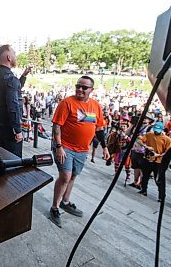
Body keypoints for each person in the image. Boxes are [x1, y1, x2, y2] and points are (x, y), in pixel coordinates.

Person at [49, 75, 110, 227]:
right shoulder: (67, 103)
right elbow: (56, 127)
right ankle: (54, 207)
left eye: (84, 87)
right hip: (65, 147)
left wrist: (105, 147)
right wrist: (59, 147)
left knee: (73, 176)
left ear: (91, 90)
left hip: (82, 150)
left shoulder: (96, 106)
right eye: (78, 86)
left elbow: (100, 128)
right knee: (65, 176)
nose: (80, 89)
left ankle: (65, 201)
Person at [0, 45, 31, 157]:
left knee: (4, 153)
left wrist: (23, 76)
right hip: (10, 125)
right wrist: (18, 130)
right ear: (9, 57)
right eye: (14, 53)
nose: (15, 56)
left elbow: (13, 89)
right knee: (14, 158)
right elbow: (12, 106)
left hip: (1, 121)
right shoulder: (10, 78)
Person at [137, 122, 171, 197]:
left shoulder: (167, 139)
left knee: (159, 179)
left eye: (158, 130)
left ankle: (161, 195)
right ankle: (144, 189)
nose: (156, 131)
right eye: (155, 130)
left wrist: (159, 155)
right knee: (145, 175)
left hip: (159, 161)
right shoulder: (149, 134)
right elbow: (140, 140)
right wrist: (146, 146)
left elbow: (168, 152)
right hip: (148, 158)